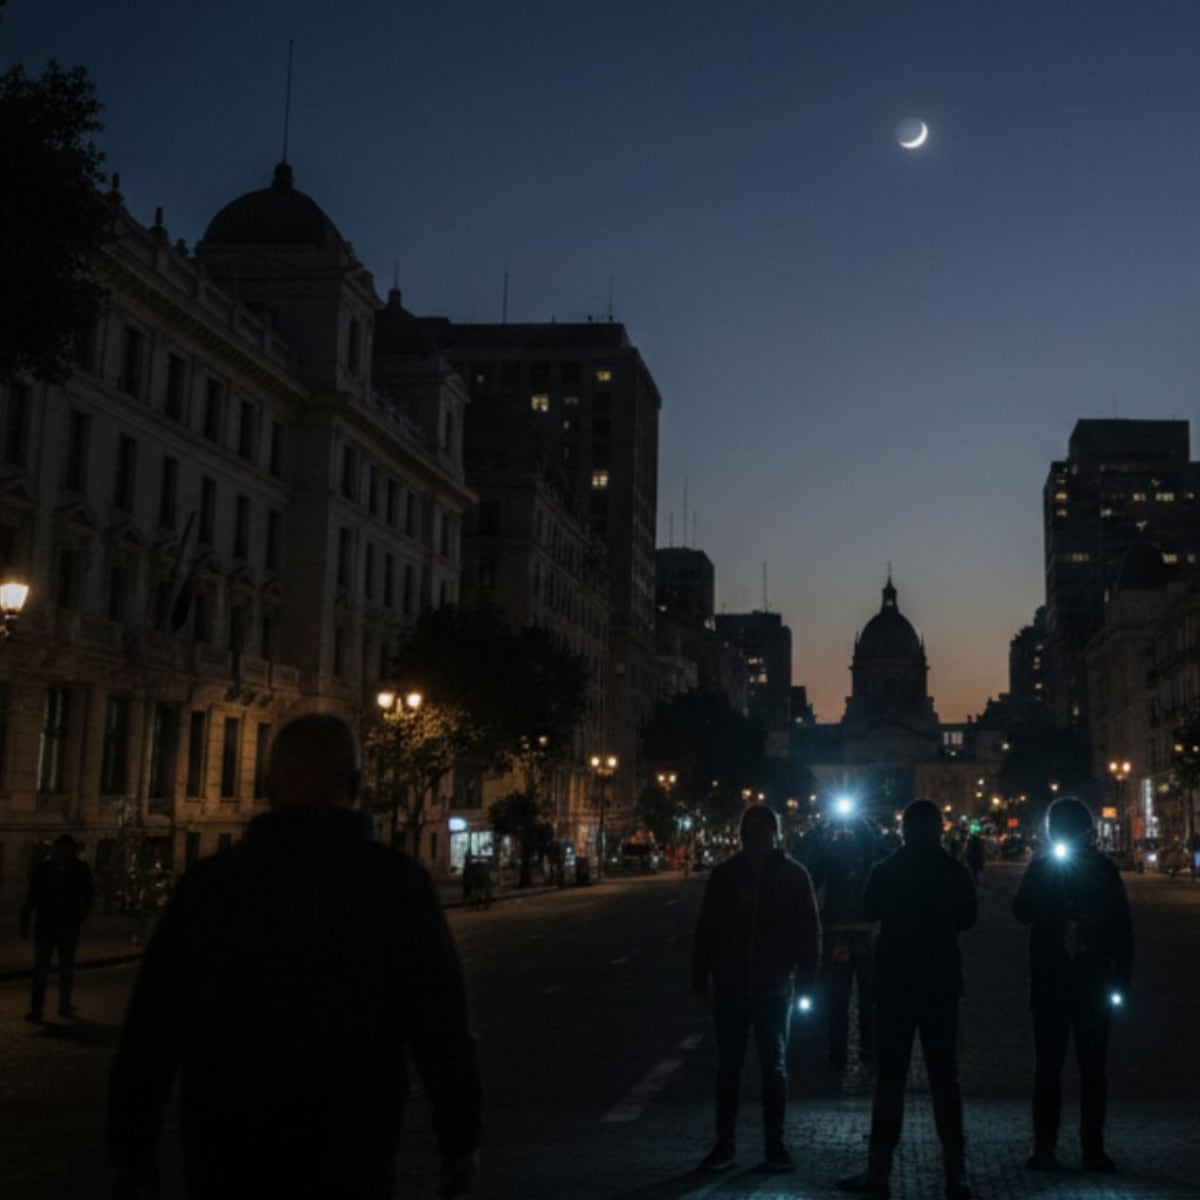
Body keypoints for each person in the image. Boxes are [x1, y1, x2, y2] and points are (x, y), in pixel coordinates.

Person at [107, 714, 481, 1200]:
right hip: (351, 1148)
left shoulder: (213, 885)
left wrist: (133, 1158)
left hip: (227, 1148)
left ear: (269, 785)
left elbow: (150, 1033)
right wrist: (459, 1141)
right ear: (356, 784)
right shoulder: (394, 883)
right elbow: (442, 1028)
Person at [838, 799, 977, 1200]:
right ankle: (955, 1173)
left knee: (891, 1081)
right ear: (938, 830)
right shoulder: (953, 871)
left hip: (896, 982)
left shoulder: (887, 869)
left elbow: (869, 906)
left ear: (904, 831)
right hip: (940, 984)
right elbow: (969, 918)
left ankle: (878, 1171)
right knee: (944, 1079)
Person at [691, 803, 821, 1174]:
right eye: (754, 830)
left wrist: (808, 977)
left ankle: (774, 1145)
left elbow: (809, 931)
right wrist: (700, 979)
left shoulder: (794, 876)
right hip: (732, 986)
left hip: (774, 988)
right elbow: (706, 931)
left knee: (774, 1068)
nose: (760, 836)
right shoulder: (725, 876)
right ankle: (725, 1144)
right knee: (729, 1069)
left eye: (766, 830)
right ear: (743, 834)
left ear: (775, 834)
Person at [1012, 796, 1133, 1173]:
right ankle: (1072, 1146)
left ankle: (1070, 1145)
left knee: (1072, 1067)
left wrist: (1121, 979)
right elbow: (1023, 910)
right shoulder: (1065, 868)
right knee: (1071, 1068)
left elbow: (1120, 928)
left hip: (1071, 980)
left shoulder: (1098, 870)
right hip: (1071, 979)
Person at [811, 816, 879, 1069]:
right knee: (868, 999)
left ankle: (837, 1053)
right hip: (864, 936)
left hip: (838, 936)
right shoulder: (868, 860)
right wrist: (861, 822)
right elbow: (878, 845)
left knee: (838, 999)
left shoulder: (828, 858)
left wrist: (822, 829)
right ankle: (868, 1051)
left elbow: (812, 869)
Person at [21, 833, 95, 1023]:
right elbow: (32, 896)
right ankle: (39, 1008)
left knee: (64, 968)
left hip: (66, 925)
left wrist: (80, 916)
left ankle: (62, 1005)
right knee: (42, 969)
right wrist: (25, 920)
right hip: (47, 925)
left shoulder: (78, 869)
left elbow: (89, 896)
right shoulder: (46, 869)